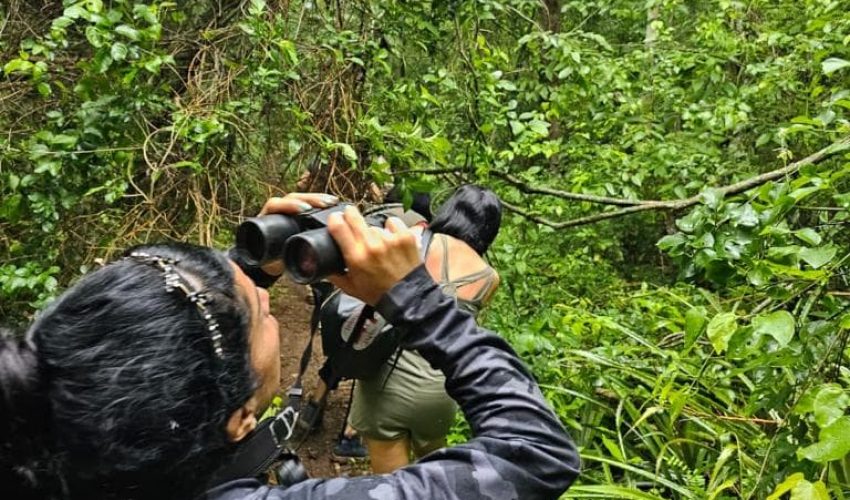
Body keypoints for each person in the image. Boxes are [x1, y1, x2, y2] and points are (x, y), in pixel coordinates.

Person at [0, 193, 580, 500]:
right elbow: (536, 452)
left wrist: (250, 266)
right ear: (239, 419)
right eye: (262, 312)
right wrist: (419, 302)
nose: (269, 305)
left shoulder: (43, 446)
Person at [346, 185, 503, 472]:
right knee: (435, 478)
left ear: (451, 210)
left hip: (389, 383)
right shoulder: (490, 278)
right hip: (441, 390)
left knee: (395, 486)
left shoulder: (417, 240)